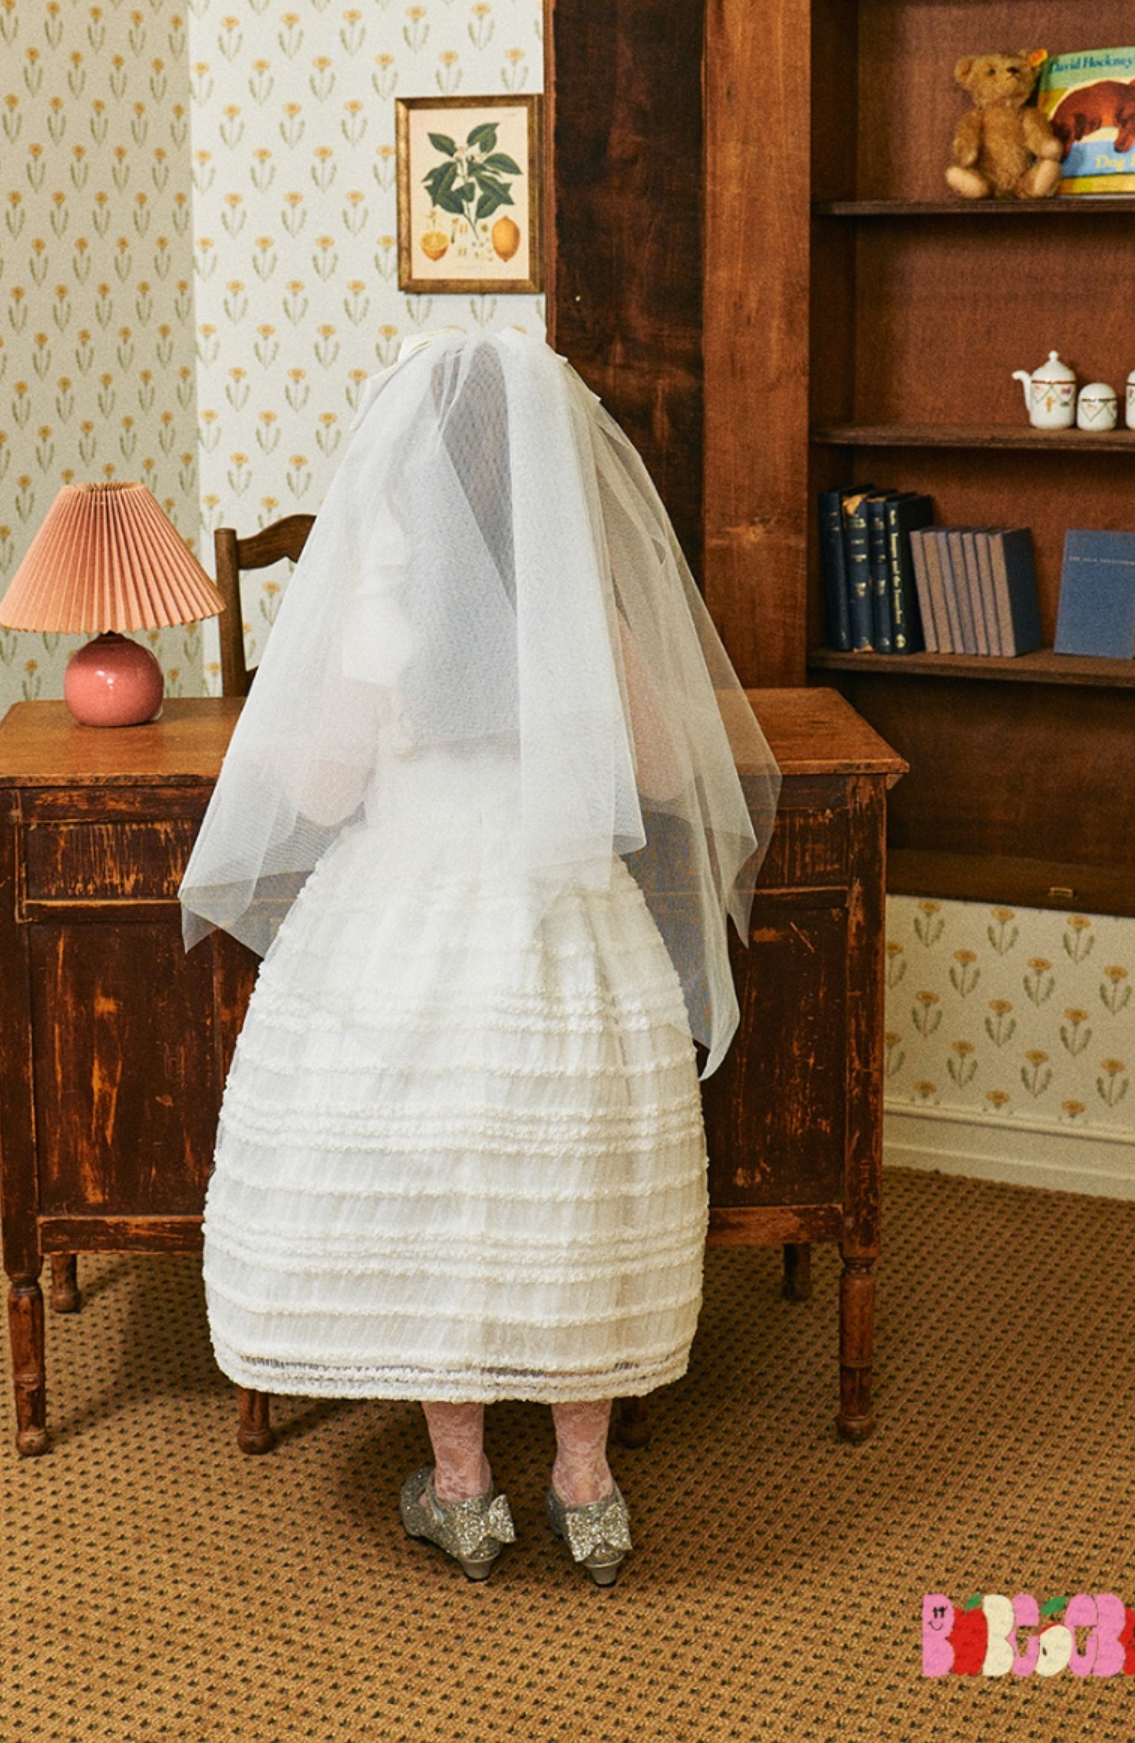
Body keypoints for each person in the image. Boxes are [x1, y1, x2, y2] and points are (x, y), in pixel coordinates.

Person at [179, 329, 778, 1584]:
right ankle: (585, 1485)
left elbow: (321, 788)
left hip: (402, 930)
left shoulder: (382, 608)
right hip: (562, 924)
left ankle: (461, 1490)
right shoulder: (580, 608)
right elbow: (666, 774)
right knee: (568, 1197)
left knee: (439, 1206)